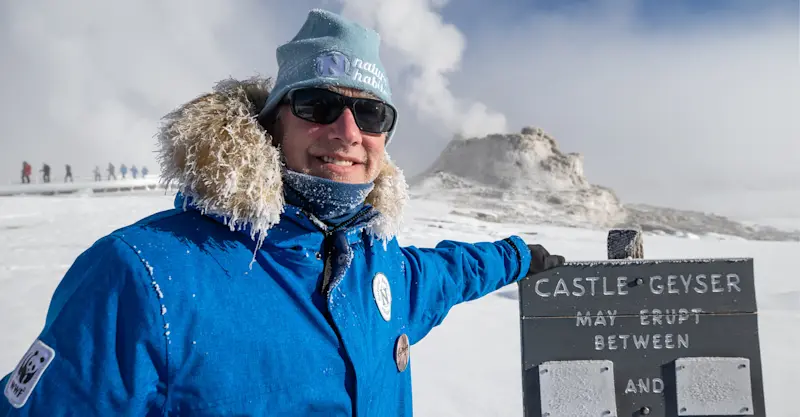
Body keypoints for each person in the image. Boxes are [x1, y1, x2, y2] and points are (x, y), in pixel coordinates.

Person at [0, 9, 564, 416]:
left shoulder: (378, 268)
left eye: (370, 114)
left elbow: (445, 273)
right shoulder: (143, 279)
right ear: (273, 125)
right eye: (318, 105)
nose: (347, 132)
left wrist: (520, 256)